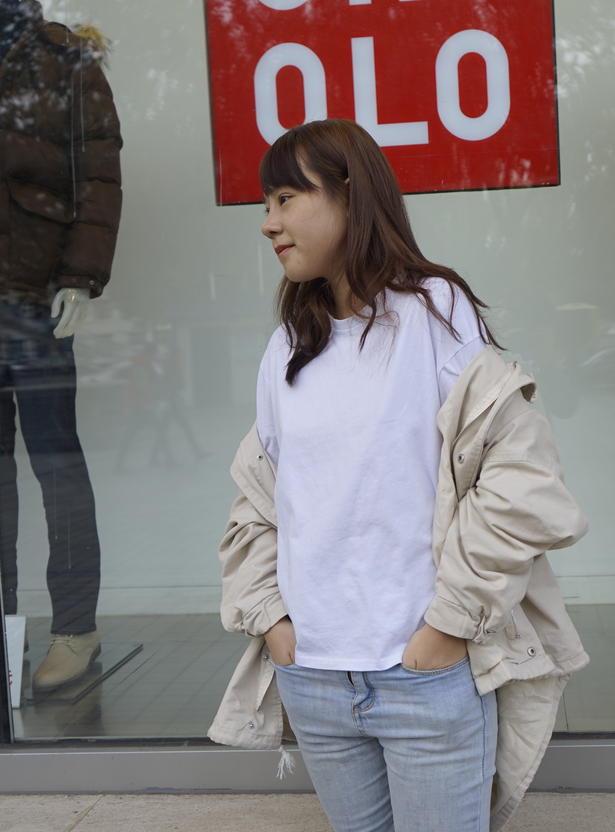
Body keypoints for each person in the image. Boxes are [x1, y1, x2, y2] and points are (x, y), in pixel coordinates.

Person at [207, 119, 590, 832]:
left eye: (286, 199)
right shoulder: (287, 346)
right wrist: (274, 624)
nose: (268, 223)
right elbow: (260, 500)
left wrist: (446, 629)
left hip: (423, 676)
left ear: (350, 195)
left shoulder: (434, 312)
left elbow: (519, 479)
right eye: (265, 204)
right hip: (313, 678)